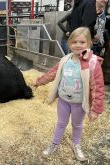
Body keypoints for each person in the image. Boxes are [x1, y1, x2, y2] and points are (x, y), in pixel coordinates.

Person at [33, 27, 104, 161]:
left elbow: (98, 87)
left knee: (77, 125)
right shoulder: (65, 60)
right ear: (69, 43)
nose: (78, 45)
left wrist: (96, 110)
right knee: (61, 123)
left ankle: (76, 145)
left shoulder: (93, 63)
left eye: (82, 42)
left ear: (89, 43)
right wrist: (39, 81)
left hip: (79, 103)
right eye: (74, 42)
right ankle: (55, 144)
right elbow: (53, 73)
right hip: (63, 101)